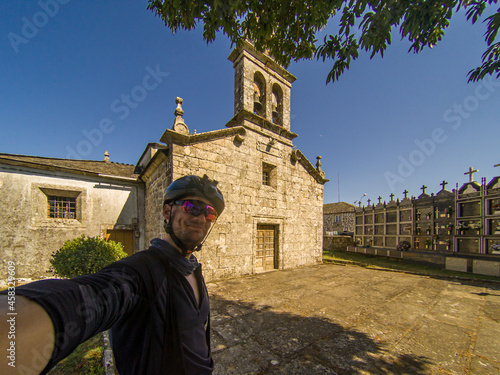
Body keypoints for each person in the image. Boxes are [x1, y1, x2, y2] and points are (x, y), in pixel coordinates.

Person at [0, 174, 224, 374]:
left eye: (209, 212)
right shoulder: (141, 272)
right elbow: (94, 296)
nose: (201, 217)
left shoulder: (193, 267)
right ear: (167, 211)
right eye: (191, 206)